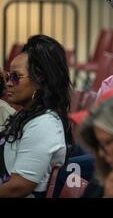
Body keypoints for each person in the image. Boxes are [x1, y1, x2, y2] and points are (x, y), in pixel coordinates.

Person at [0, 35, 72, 197]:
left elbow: (18, 187)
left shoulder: (44, 123)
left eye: (16, 77)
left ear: (40, 79)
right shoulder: (26, 115)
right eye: (8, 76)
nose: (9, 83)